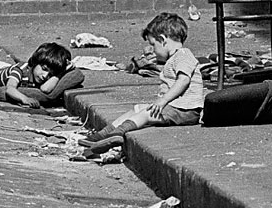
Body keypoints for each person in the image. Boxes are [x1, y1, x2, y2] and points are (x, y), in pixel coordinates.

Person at [80, 12, 204, 155]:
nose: (153, 50)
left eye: (153, 45)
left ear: (163, 40)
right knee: (137, 108)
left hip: (186, 110)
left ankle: (118, 133)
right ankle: (105, 133)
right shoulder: (174, 58)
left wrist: (163, 100)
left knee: (146, 114)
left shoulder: (183, 55)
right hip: (177, 108)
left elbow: (183, 80)